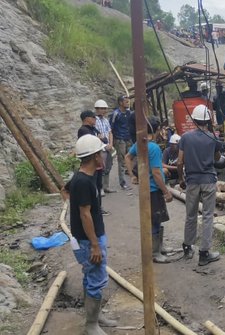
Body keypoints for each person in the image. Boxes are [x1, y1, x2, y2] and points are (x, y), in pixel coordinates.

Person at [67, 134, 110, 335]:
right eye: (101, 152)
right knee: (96, 277)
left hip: (86, 237)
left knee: (90, 276)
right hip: (88, 240)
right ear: (94, 156)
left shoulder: (82, 177)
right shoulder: (84, 181)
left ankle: (95, 316)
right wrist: (94, 244)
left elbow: (64, 190)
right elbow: (85, 214)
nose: (103, 155)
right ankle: (91, 325)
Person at [177, 105, 222, 266]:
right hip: (209, 180)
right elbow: (217, 158)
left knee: (191, 215)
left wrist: (181, 179)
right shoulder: (213, 137)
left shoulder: (185, 137)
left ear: (194, 120)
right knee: (208, 216)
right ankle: (204, 253)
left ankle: (188, 247)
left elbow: (180, 161)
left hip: (192, 181)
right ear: (208, 120)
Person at [124, 117, 173, 263]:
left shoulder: (139, 144)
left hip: (145, 189)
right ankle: (155, 253)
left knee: (156, 219)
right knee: (155, 220)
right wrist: (166, 191)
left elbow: (127, 157)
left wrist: (132, 175)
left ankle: (160, 247)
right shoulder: (154, 148)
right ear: (157, 130)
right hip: (153, 189)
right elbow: (157, 173)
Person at [109, 96, 133, 190]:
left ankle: (132, 177)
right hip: (120, 139)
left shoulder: (129, 113)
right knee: (122, 161)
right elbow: (111, 127)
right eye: (126, 101)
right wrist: (114, 140)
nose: (128, 103)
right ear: (120, 103)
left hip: (128, 138)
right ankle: (122, 183)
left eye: (128, 101)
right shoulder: (116, 114)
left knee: (131, 158)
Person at [94, 100, 115, 194]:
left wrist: (110, 144)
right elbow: (96, 135)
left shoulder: (106, 120)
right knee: (101, 167)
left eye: (104, 108)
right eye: (101, 108)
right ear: (97, 109)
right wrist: (104, 145)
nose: (103, 110)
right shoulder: (94, 121)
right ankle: (100, 188)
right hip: (100, 147)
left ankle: (106, 186)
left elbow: (110, 132)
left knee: (108, 167)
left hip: (108, 147)